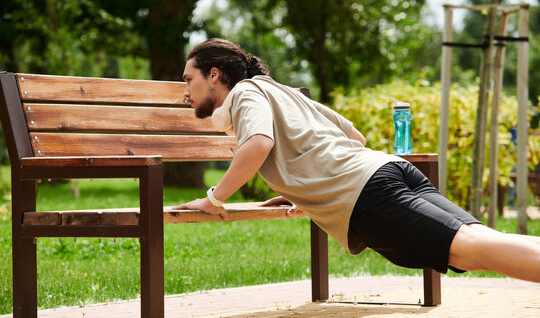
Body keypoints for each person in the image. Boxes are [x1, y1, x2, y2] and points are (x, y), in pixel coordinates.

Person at [174, 38, 540, 283]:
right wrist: (301, 188)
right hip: (386, 171)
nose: (185, 91)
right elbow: (354, 137)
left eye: (189, 79)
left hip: (367, 193)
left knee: (477, 250)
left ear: (215, 75)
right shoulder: (279, 90)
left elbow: (258, 143)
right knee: (479, 243)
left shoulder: (245, 92)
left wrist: (214, 197)